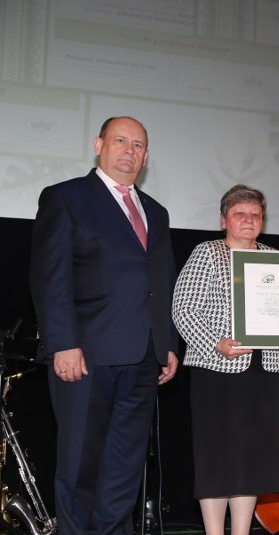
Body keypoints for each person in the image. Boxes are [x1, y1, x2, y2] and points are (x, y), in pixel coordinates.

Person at [29, 116, 179, 534]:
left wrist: (167, 343)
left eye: (138, 145)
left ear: (146, 156)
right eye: (121, 141)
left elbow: (161, 282)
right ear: (99, 145)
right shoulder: (66, 198)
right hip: (85, 356)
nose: (130, 151)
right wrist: (62, 342)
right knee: (79, 465)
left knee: (124, 469)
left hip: (143, 358)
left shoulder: (157, 212)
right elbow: (49, 276)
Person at [172, 185, 279, 535]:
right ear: (223, 219)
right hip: (218, 369)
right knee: (218, 457)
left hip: (266, 371)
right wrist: (216, 344)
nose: (249, 219)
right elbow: (183, 310)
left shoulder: (275, 257)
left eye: (255, 214)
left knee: (252, 460)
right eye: (240, 213)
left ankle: (241, 532)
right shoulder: (208, 253)